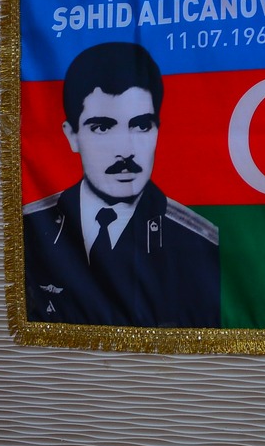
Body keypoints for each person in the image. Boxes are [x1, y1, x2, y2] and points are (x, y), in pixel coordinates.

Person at [21, 41, 221, 328]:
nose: (126, 151)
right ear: (71, 136)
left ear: (158, 130)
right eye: (102, 127)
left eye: (141, 126)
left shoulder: (199, 243)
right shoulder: (30, 228)